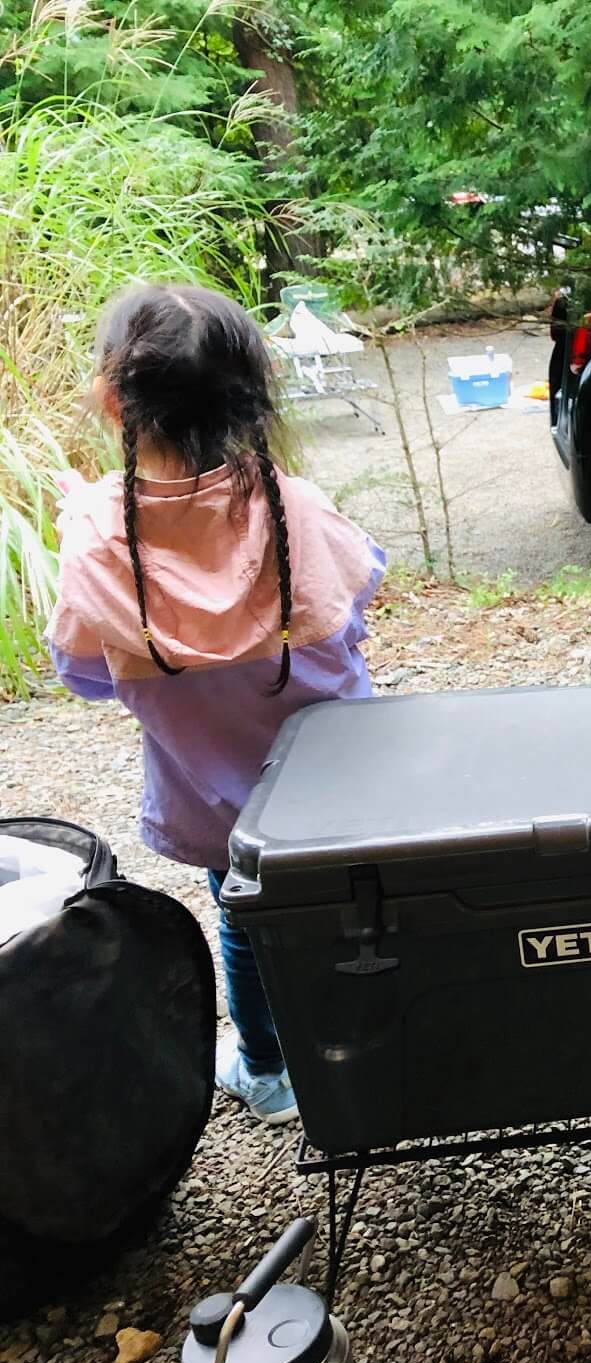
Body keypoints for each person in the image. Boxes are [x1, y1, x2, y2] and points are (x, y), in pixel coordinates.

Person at [46, 284, 385, 1126]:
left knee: (247, 920)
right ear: (254, 390)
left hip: (217, 800)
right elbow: (358, 598)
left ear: (110, 395)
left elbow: (82, 672)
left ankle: (268, 1069)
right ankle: (382, 1039)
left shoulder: (95, 535)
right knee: (358, 910)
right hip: (346, 786)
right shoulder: (293, 506)